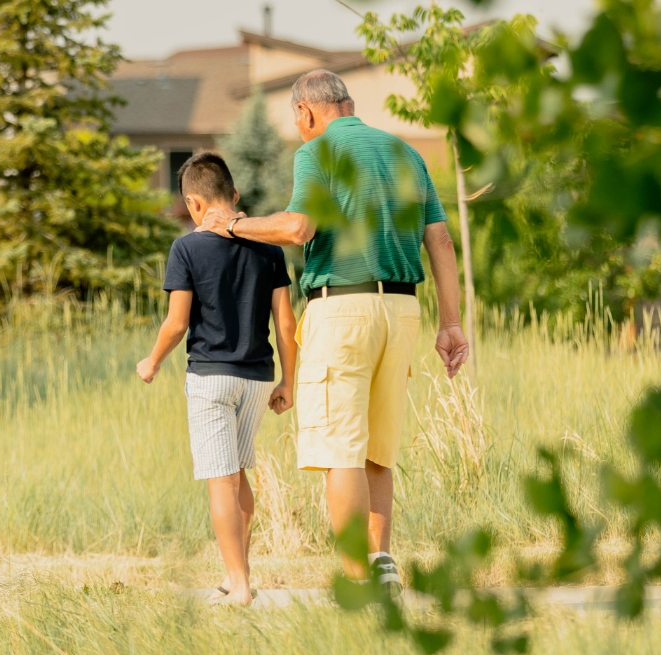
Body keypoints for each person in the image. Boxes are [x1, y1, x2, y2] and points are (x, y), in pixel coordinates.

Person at [198, 70, 469, 594]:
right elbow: (440, 240)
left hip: (342, 308)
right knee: (376, 448)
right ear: (347, 104)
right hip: (402, 313)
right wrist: (451, 324)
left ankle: (355, 579)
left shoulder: (316, 151)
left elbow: (299, 228)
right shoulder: (406, 153)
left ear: (306, 113)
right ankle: (382, 562)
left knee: (340, 449)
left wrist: (231, 224)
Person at [137, 152, 298, 606]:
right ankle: (237, 576)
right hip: (256, 379)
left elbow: (176, 323)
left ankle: (240, 585)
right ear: (235, 196)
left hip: (211, 377)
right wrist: (289, 381)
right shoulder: (268, 248)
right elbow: (286, 323)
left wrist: (151, 362)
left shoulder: (186, 248)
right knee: (238, 475)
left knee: (220, 480)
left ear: (192, 204)